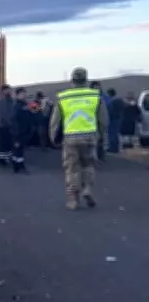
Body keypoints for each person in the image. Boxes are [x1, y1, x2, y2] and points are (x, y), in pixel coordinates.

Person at [50, 68, 108, 210]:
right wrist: (101, 135)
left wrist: (53, 137)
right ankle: (87, 188)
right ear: (86, 80)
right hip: (90, 136)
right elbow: (103, 120)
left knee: (72, 168)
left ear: (72, 80)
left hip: (71, 137)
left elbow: (55, 121)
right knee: (88, 165)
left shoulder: (63, 97)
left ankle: (73, 200)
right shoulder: (95, 96)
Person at [10, 87, 32, 173]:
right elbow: (14, 120)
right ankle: (16, 166)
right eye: (22, 94)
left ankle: (20, 164)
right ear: (17, 95)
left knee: (21, 149)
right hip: (17, 132)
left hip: (24, 131)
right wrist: (16, 133)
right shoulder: (16, 106)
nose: (24, 95)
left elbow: (32, 113)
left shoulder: (25, 104)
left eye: (24, 93)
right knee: (17, 148)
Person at [0, 84, 15, 166]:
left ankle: (7, 157)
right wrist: (10, 122)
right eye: (8, 90)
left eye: (10, 90)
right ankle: (2, 159)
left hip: (7, 124)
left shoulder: (9, 99)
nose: (10, 91)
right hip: (3, 125)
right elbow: (3, 114)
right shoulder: (2, 100)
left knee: (8, 142)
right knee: (4, 143)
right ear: (4, 90)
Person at [90, 81, 109, 160]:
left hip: (101, 119)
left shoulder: (104, 97)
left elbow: (108, 107)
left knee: (102, 138)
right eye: (95, 87)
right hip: (91, 121)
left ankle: (101, 155)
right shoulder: (90, 97)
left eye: (98, 87)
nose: (97, 89)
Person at [106, 88, 124, 153]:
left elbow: (110, 111)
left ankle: (113, 148)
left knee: (112, 134)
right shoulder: (120, 100)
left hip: (113, 119)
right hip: (119, 118)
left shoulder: (112, 102)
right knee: (116, 134)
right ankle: (116, 148)